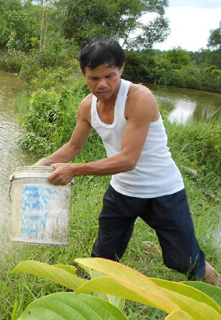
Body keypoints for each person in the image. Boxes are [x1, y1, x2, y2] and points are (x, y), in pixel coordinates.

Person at [34, 38, 220, 285]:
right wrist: (38, 165)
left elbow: (128, 159)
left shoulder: (139, 98)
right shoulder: (87, 106)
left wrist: (74, 171)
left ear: (122, 69)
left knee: (183, 260)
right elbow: (72, 148)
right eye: (93, 78)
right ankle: (86, 291)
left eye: (109, 76)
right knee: (103, 255)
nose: (102, 84)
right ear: (83, 74)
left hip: (163, 192)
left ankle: (210, 278)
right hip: (122, 192)